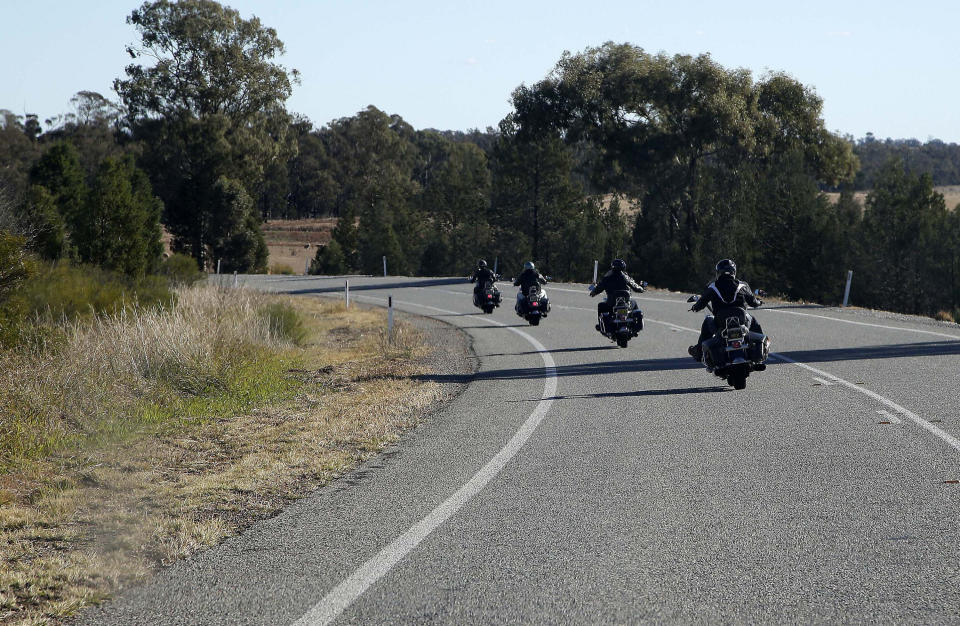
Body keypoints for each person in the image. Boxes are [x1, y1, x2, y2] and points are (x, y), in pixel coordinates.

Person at [688, 258, 764, 361]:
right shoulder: (742, 285)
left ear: (718, 272)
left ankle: (699, 351)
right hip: (741, 319)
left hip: (721, 322)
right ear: (734, 272)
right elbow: (753, 302)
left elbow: (702, 302)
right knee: (754, 322)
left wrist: (695, 307)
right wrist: (759, 302)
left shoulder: (713, 286)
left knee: (707, 321)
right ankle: (760, 349)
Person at [589, 259, 645, 331]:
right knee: (634, 303)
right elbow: (635, 286)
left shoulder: (607, 277)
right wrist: (641, 289)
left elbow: (599, 287)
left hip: (612, 303)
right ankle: (635, 324)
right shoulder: (626, 277)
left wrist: (593, 293)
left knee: (600, 306)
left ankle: (601, 325)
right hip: (626, 303)